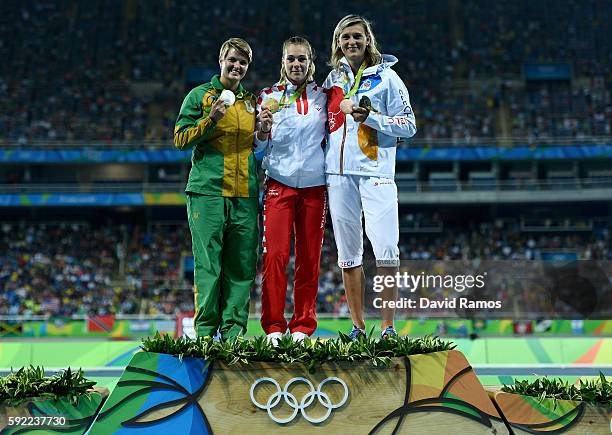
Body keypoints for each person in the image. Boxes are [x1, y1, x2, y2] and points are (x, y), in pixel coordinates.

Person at [323, 15, 417, 340]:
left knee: (387, 250)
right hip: (339, 177)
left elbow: (410, 125)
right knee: (348, 254)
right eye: (345, 37)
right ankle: (358, 328)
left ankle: (389, 327)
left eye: (357, 36)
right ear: (338, 42)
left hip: (376, 173)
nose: (351, 42)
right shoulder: (332, 80)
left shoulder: (388, 78)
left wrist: (371, 118)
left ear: (368, 39)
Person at [173, 38, 259, 340]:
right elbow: (180, 138)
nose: (237, 66)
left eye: (243, 63)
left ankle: (234, 334)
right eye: (232, 60)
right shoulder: (199, 96)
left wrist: (264, 129)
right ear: (221, 60)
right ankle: (207, 334)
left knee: (242, 267)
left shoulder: (252, 103)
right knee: (209, 265)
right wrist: (210, 119)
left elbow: (256, 142)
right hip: (208, 191)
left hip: (246, 194)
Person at [255, 37, 327, 344]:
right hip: (279, 186)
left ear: (311, 62)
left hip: (314, 189)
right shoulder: (267, 97)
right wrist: (260, 130)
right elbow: (258, 149)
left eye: (302, 59)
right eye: (291, 59)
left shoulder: (325, 96)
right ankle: (273, 326)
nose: (296, 64)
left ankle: (302, 326)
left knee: (309, 259)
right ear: (282, 63)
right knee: (276, 257)